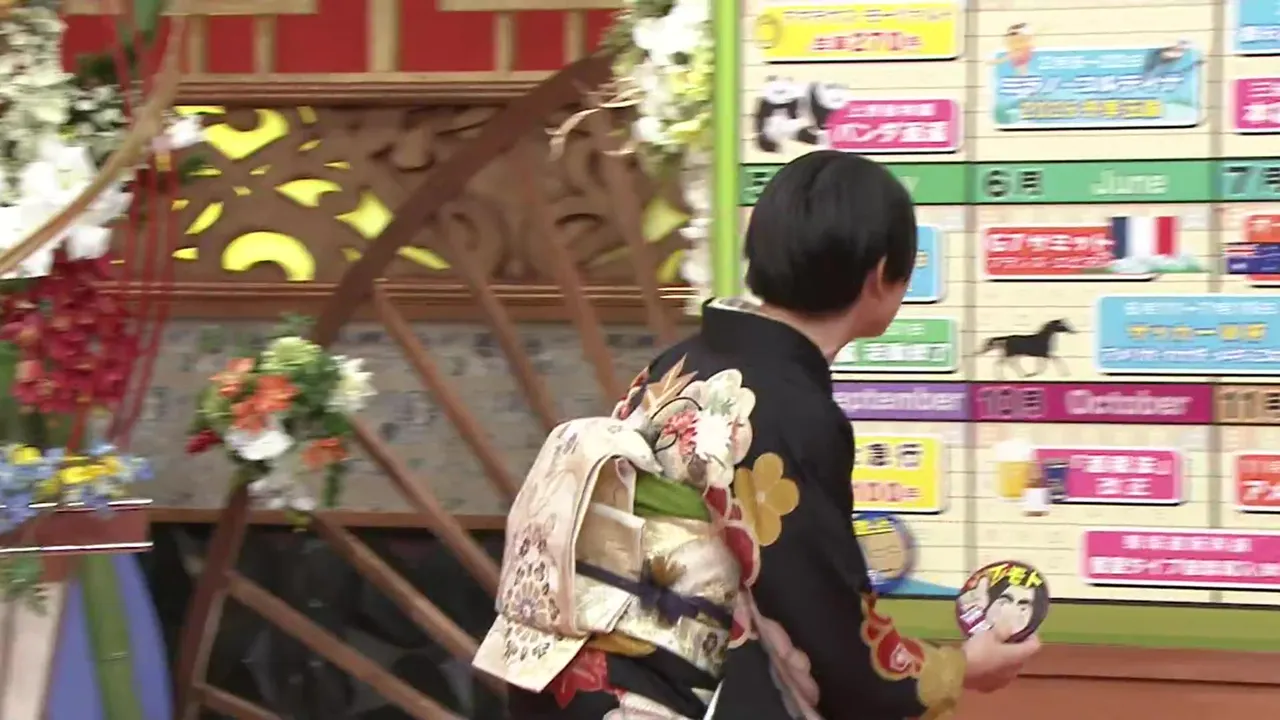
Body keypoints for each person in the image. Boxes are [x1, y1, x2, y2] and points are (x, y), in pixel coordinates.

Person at [474, 150, 1041, 719]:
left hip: (568, 681)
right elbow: (824, 632)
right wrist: (957, 668)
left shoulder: (681, 362)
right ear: (880, 276)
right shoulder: (789, 410)